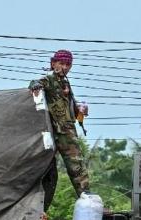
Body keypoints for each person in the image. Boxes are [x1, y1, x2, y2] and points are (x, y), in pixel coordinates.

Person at [30, 50, 90, 209]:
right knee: (75, 164)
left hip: (68, 128)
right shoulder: (49, 80)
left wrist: (80, 111)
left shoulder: (65, 83)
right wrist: (35, 85)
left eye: (68, 64)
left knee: (76, 165)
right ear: (53, 63)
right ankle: (86, 196)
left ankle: (86, 197)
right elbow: (37, 82)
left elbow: (70, 106)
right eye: (61, 63)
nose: (64, 67)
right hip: (58, 131)